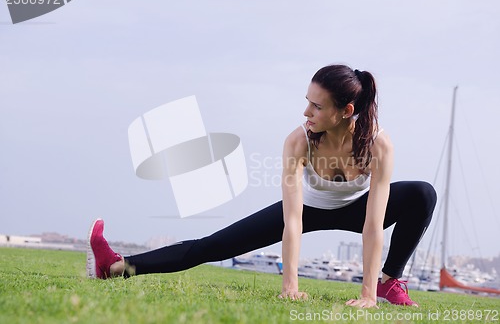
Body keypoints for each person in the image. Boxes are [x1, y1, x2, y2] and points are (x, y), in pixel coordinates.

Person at [87, 64, 437, 308]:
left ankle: (388, 283)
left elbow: (373, 226)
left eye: (316, 106)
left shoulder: (378, 144)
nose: (306, 112)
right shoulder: (299, 142)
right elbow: (293, 220)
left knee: (422, 193)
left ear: (345, 111)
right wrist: (290, 286)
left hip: (358, 210)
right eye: (307, 101)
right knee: (212, 245)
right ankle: (116, 266)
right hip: (309, 210)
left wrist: (367, 296)